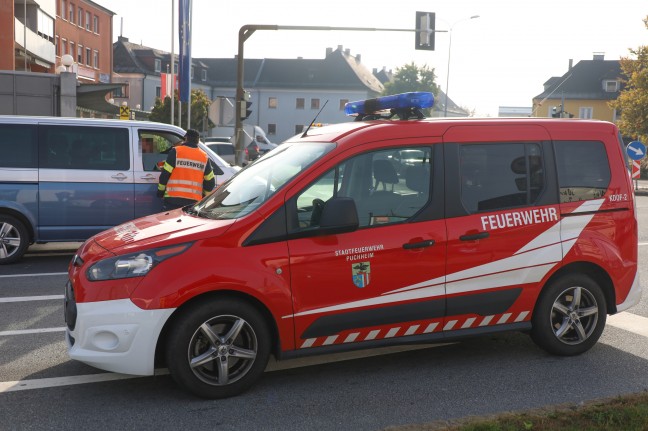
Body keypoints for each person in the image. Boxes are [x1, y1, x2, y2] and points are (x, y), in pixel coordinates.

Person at [157, 129, 215, 210]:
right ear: (198, 141)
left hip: (173, 199)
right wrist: (204, 197)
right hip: (193, 202)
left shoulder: (176, 151)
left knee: (171, 222)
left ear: (186, 138)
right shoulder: (204, 156)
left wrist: (160, 192)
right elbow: (210, 182)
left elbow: (165, 175)